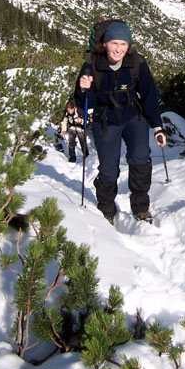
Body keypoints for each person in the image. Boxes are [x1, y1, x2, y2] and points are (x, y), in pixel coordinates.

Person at [74, 21, 166, 224]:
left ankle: (141, 207)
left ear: (129, 45)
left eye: (123, 44)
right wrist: (83, 88)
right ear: (104, 44)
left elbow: (149, 94)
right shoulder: (92, 65)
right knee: (108, 168)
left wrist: (157, 126)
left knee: (140, 158)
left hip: (134, 116)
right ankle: (106, 208)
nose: (119, 49)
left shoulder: (137, 63)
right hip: (106, 119)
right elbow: (83, 103)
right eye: (114, 43)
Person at [60, 98, 89, 163]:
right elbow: (64, 121)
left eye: (71, 110)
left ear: (74, 108)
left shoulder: (79, 111)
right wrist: (63, 130)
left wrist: (81, 120)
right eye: (68, 110)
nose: (70, 111)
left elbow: (87, 121)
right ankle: (72, 157)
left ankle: (87, 156)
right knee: (71, 143)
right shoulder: (66, 113)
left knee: (83, 143)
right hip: (72, 127)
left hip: (80, 128)